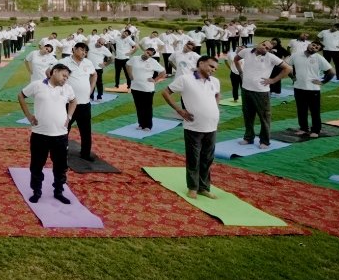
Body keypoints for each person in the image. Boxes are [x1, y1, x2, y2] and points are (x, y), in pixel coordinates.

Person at [161, 55, 221, 199]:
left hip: (211, 126)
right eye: (211, 66)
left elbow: (217, 95)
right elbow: (165, 92)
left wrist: (214, 107)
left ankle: (204, 187)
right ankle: (192, 187)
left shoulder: (215, 81)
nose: (213, 70)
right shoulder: (185, 79)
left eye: (215, 68)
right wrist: (179, 110)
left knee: (207, 158)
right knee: (194, 158)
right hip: (193, 127)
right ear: (201, 63)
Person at [18, 63, 77, 204]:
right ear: (54, 72)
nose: (65, 79)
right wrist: (28, 115)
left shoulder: (67, 88)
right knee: (37, 165)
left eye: (67, 77)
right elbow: (21, 95)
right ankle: (36, 191)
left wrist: (69, 117)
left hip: (60, 135)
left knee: (61, 166)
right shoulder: (37, 85)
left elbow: (74, 101)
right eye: (63, 75)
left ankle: (58, 191)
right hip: (40, 134)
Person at [233, 40, 291, 149]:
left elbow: (288, 68)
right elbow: (236, 59)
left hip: (261, 92)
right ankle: (248, 138)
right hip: (246, 89)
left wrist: (273, 80)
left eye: (268, 48)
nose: (264, 47)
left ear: (269, 50)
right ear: (259, 43)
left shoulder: (271, 57)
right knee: (248, 116)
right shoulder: (246, 51)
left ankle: (264, 141)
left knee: (264, 117)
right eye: (264, 44)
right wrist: (240, 72)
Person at [287, 40, 334, 137]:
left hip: (313, 89)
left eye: (317, 47)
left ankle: (316, 130)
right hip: (298, 87)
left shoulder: (318, 58)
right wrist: (292, 77)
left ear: (318, 50)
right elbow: (286, 66)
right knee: (301, 110)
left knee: (314, 110)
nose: (314, 47)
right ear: (309, 44)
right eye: (313, 45)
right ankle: (303, 128)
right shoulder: (296, 55)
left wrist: (323, 82)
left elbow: (331, 72)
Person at [62, 42, 98, 161]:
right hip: (69, 103)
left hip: (85, 103)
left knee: (86, 131)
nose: (84, 53)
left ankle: (85, 154)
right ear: (74, 49)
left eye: (86, 51)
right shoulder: (64, 62)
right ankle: (61, 151)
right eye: (82, 50)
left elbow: (94, 75)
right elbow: (50, 72)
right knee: (64, 129)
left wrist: (91, 89)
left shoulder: (88, 63)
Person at [125, 47, 167, 130]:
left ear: (151, 56)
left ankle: (148, 125)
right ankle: (141, 124)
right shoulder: (135, 58)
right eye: (147, 52)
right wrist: (130, 74)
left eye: (150, 55)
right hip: (135, 87)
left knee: (147, 107)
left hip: (147, 89)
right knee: (139, 107)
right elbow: (128, 64)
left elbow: (163, 72)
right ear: (144, 51)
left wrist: (155, 80)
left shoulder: (153, 62)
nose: (147, 55)